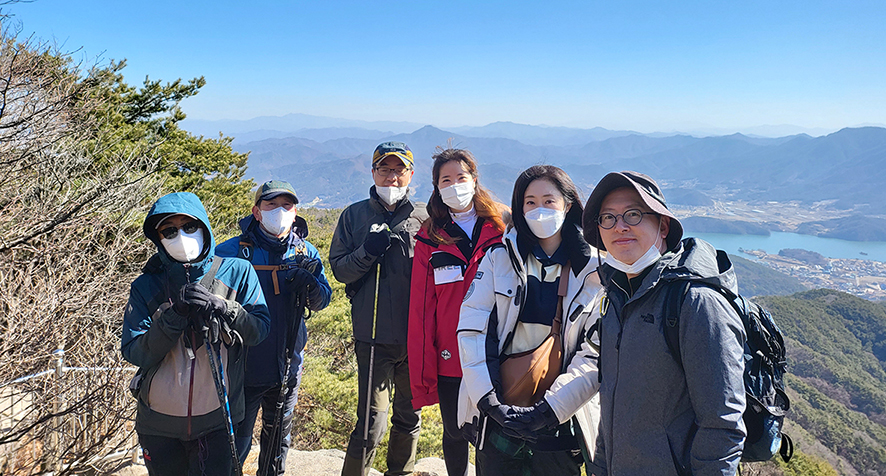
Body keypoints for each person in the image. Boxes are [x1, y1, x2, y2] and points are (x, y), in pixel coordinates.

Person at [582, 171, 746, 476]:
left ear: (663, 224)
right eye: (607, 218)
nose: (620, 226)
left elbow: (723, 424)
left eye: (633, 214)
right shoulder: (617, 298)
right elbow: (611, 410)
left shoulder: (695, 303)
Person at [457, 165, 604, 476]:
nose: (540, 210)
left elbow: (594, 353)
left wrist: (551, 411)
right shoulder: (498, 258)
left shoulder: (594, 269)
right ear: (520, 209)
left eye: (549, 201)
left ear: (568, 205)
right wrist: (488, 400)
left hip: (561, 423)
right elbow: (472, 331)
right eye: (530, 202)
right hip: (499, 411)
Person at [121, 192, 271, 476]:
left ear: (204, 228)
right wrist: (173, 316)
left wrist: (224, 307)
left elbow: (259, 330)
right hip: (159, 425)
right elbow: (134, 350)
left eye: (189, 227)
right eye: (169, 231)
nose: (181, 236)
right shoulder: (146, 286)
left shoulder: (237, 272)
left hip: (218, 420)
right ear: (158, 238)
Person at [216, 180, 332, 475]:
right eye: (271, 205)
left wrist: (312, 287)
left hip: (287, 365)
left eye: (287, 205)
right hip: (242, 366)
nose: (279, 211)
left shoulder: (306, 253)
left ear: (296, 213)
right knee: (235, 445)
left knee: (277, 444)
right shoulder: (230, 252)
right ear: (256, 212)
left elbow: (322, 301)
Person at [329, 141, 429, 476]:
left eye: (399, 169)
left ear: (410, 174)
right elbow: (341, 270)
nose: (391, 176)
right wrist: (367, 252)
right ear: (372, 172)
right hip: (373, 338)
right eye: (384, 168)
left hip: (416, 339)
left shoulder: (426, 219)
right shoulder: (354, 216)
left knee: (409, 417)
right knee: (372, 422)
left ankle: (400, 472)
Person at [407, 148, 506, 476]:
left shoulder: (500, 230)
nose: (454, 185)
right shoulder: (429, 237)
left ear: (474, 180)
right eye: (445, 180)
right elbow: (421, 312)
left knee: (493, 431)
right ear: (436, 187)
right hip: (451, 356)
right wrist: (424, 377)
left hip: (496, 349)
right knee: (454, 432)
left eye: (460, 178)